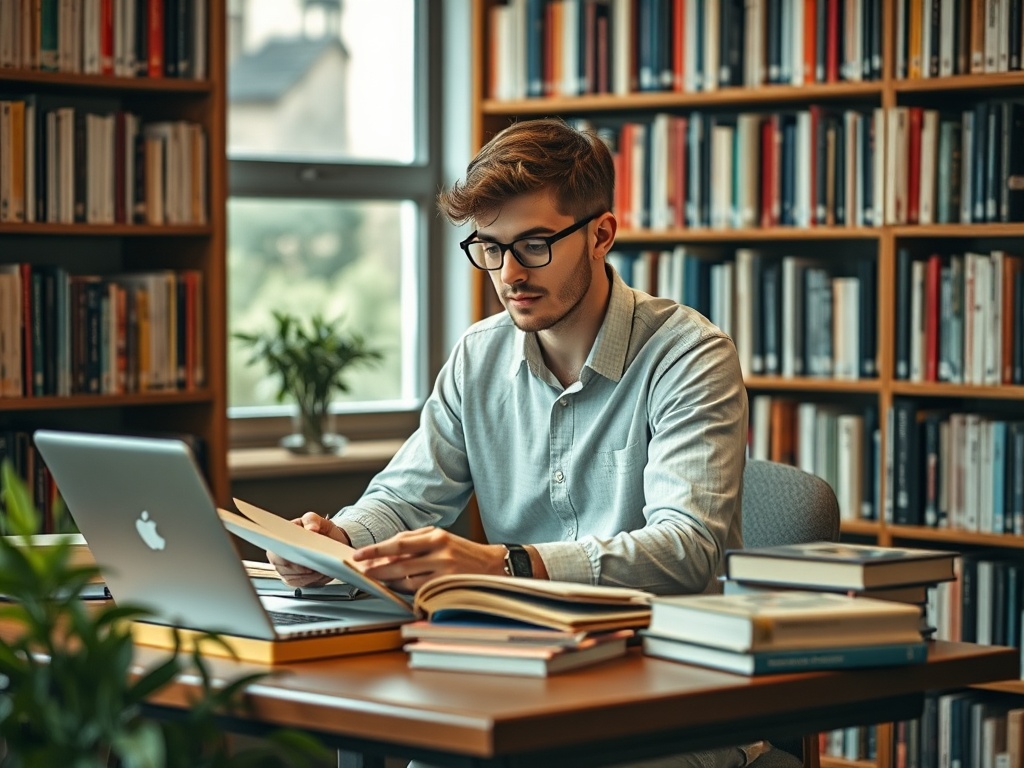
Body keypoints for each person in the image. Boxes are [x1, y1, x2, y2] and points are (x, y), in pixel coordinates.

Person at [268, 118, 760, 767]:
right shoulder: (479, 356)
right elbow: (406, 497)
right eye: (489, 247)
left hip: (659, 703)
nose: (508, 274)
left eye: (533, 245)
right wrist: (340, 541)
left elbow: (687, 550)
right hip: (512, 677)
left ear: (600, 235)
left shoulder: (688, 357)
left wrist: (507, 565)